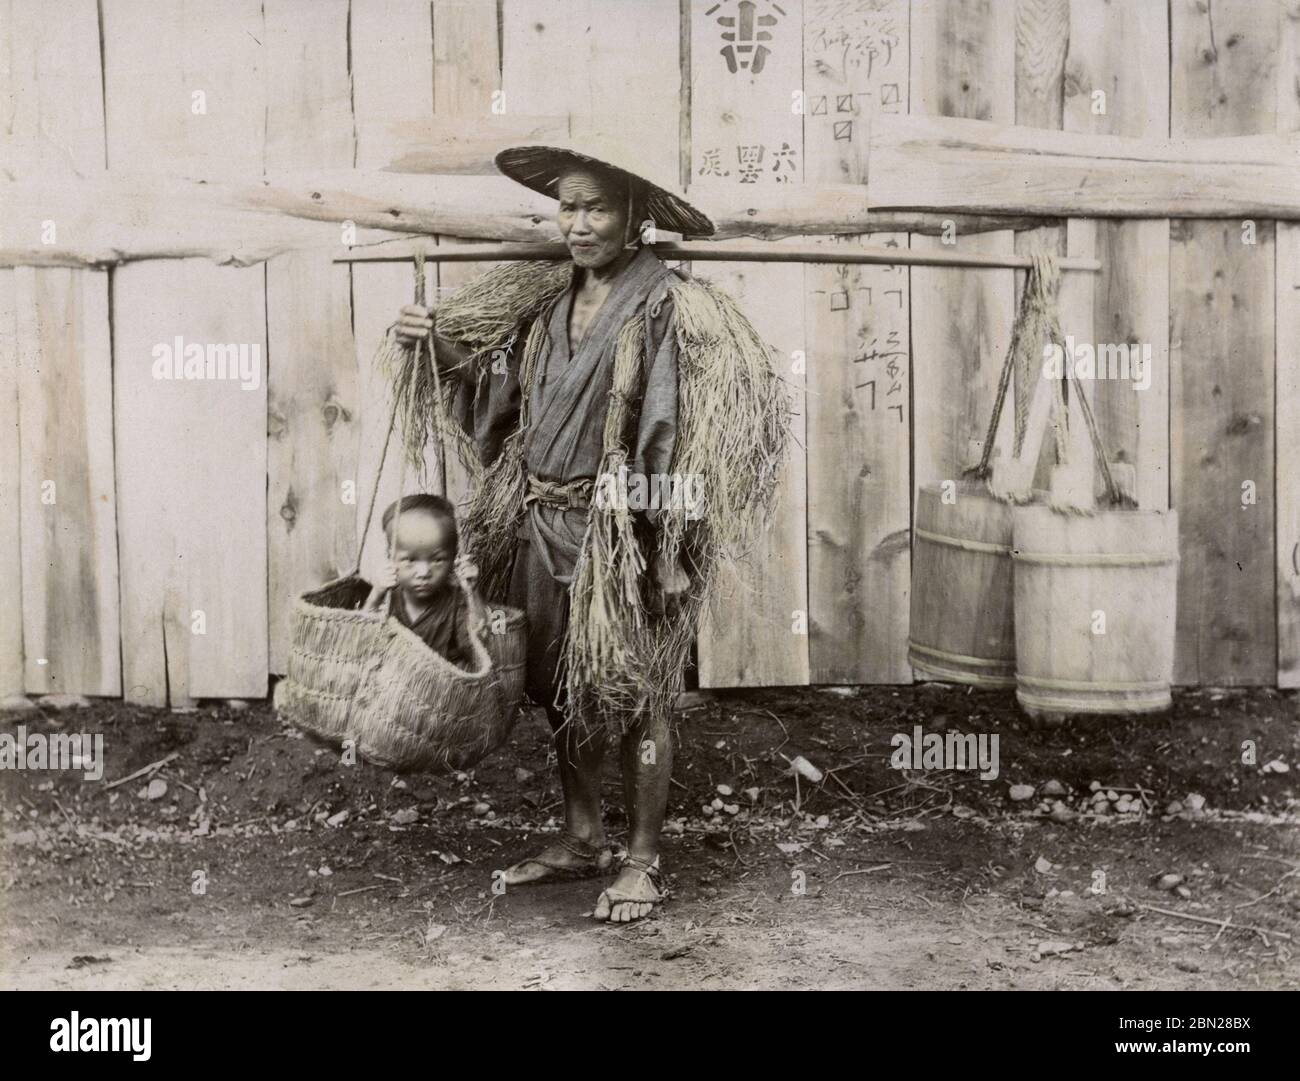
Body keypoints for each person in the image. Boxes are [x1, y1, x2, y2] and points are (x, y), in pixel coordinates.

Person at [392, 142, 786, 923]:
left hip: (623, 534)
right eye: (566, 206)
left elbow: (672, 434)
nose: (576, 223)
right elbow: (501, 414)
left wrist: (660, 541)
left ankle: (641, 857)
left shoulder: (663, 308)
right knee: (561, 686)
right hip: (541, 522)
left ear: (636, 216)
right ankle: (580, 835)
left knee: (636, 691)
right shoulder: (546, 305)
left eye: (595, 207)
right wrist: (432, 344)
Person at [364, 494, 487, 669]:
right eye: (410, 560)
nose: (423, 573)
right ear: (391, 558)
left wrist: (472, 592)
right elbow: (362, 640)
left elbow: (477, 645)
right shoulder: (388, 599)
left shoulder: (455, 602)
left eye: (437, 560)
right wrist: (376, 594)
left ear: (453, 559)